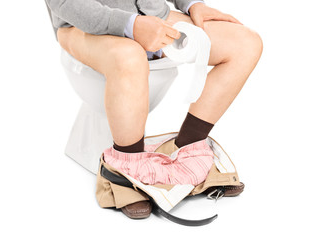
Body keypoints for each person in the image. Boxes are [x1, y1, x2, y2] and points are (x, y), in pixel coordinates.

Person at [46, 0, 263, 219]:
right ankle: (126, 170)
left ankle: (187, 152)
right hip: (82, 25)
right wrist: (131, 25)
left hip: (153, 16)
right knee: (129, 58)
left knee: (245, 43)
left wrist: (191, 4)